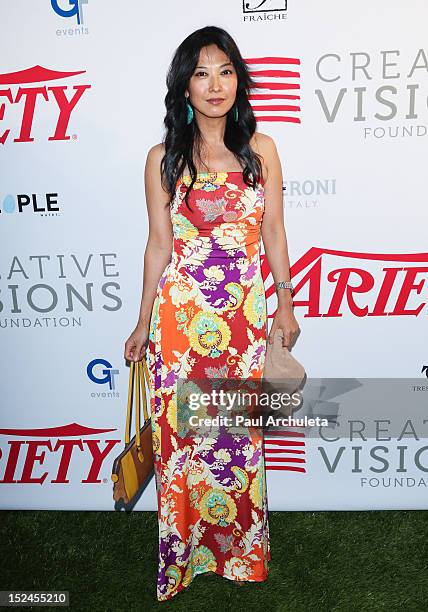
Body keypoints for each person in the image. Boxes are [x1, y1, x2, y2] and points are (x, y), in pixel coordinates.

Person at [124, 25, 299, 602]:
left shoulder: (262, 151)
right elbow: (157, 246)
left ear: (238, 80)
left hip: (244, 325)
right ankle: (183, 561)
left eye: (224, 70)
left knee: (237, 443)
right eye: (201, 73)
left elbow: (273, 232)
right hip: (179, 326)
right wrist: (143, 320)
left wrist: (286, 303)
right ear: (184, 87)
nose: (215, 84)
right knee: (183, 446)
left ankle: (240, 557)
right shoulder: (163, 160)